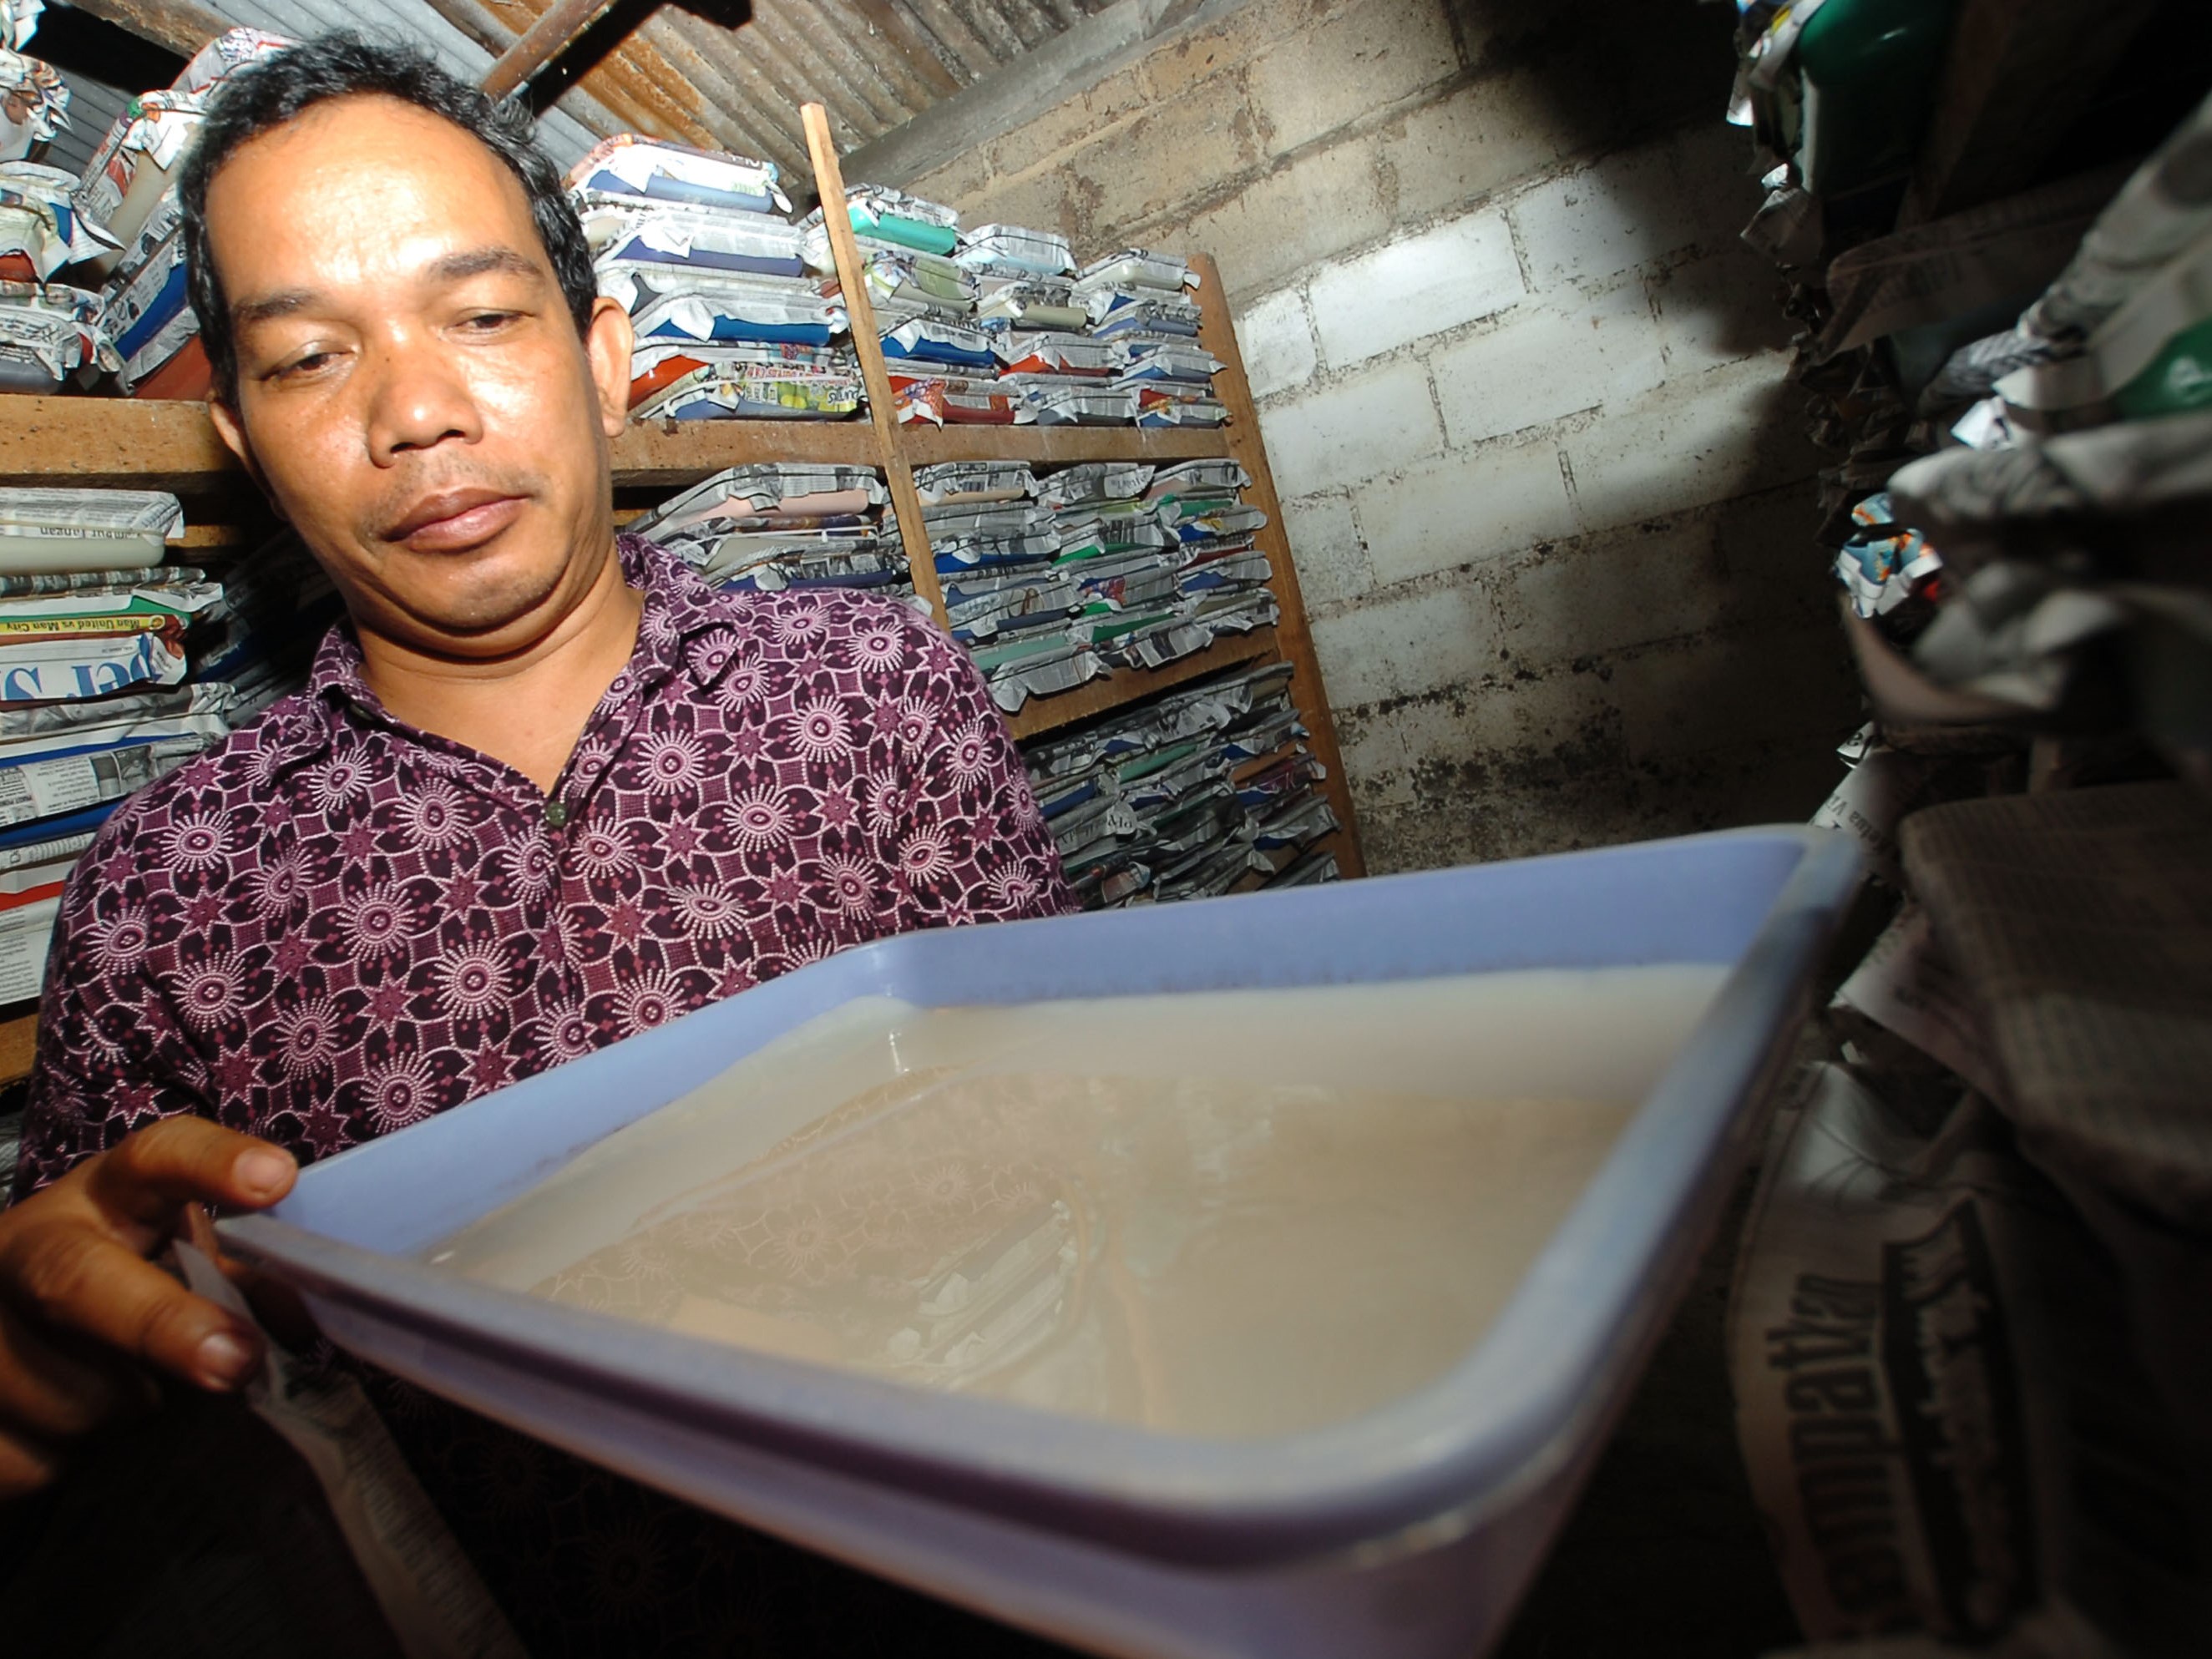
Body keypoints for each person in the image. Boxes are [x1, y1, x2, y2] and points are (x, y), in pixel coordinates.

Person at [0, 33, 1072, 1652]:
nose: (416, 412)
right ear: (237, 439)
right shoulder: (164, 897)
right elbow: (139, 1376)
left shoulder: (875, 694)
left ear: (603, 351)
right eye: (306, 359)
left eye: (484, 317)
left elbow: (1081, 1134)